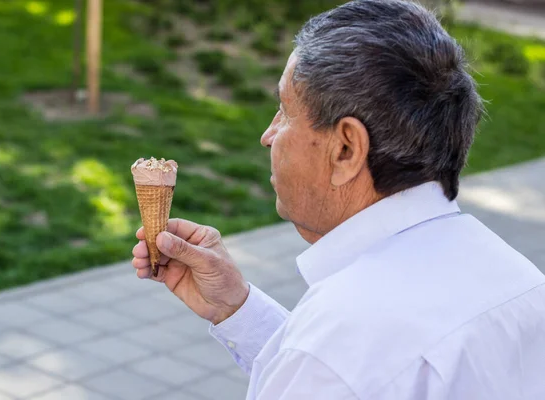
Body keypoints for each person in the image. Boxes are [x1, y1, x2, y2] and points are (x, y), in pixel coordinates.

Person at [132, 0, 545, 398]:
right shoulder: (521, 283)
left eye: (285, 111)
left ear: (346, 149)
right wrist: (237, 309)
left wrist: (305, 352)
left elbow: (334, 367)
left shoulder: (332, 351)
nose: (268, 136)